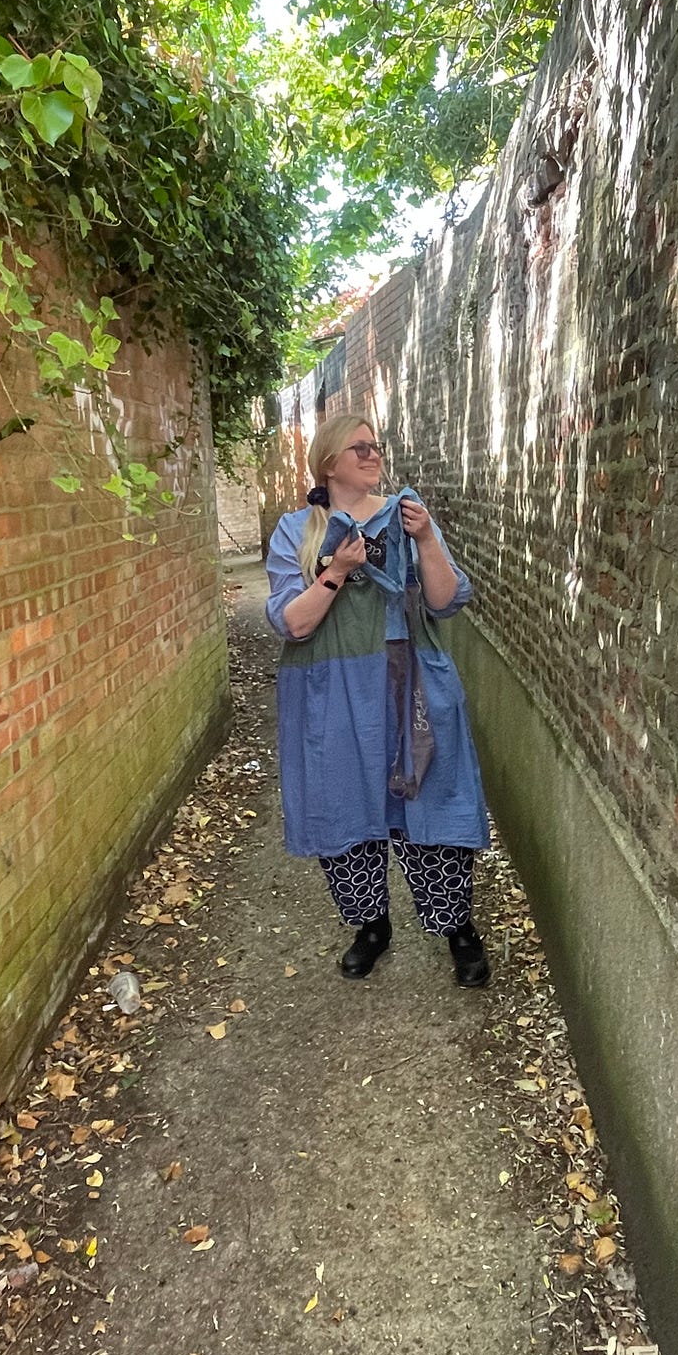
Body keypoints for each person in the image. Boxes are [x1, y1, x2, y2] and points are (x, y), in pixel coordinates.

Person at [264, 412, 491, 986]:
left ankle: (457, 926)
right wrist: (337, 569)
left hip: (409, 683)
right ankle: (371, 926)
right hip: (334, 692)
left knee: (433, 800)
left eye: (376, 446)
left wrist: (426, 538)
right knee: (346, 807)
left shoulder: (407, 517)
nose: (372, 455)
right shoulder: (297, 532)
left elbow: (444, 602)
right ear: (329, 462)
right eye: (358, 447)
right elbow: (293, 624)